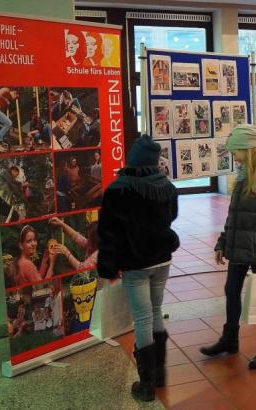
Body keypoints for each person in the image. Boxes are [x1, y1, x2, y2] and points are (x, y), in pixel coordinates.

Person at [97, 134, 180, 402]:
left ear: (132, 159)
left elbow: (108, 235)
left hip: (135, 264)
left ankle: (146, 386)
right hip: (163, 259)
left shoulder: (117, 190)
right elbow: (173, 216)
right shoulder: (165, 187)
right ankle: (158, 375)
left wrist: (108, 270)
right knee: (155, 311)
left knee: (142, 318)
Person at [200, 125, 256, 370]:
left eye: (235, 151)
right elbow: (234, 214)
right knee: (231, 289)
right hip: (240, 245)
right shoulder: (243, 174)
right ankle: (230, 338)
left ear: (247, 149)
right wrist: (223, 241)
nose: (233, 156)